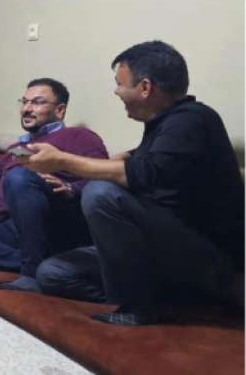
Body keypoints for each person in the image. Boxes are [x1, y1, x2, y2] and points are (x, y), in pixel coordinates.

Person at [21, 41, 245, 326]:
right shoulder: (165, 125)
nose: (116, 91)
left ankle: (141, 305)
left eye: (120, 83)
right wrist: (119, 157)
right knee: (53, 273)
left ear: (145, 87)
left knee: (101, 193)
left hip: (209, 258)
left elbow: (142, 173)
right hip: (160, 253)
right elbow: (147, 160)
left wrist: (63, 160)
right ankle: (173, 300)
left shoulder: (194, 119)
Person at [0, 78, 108, 294]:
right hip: (13, 227)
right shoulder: (18, 147)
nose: (26, 109)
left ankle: (31, 272)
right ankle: (42, 260)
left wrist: (71, 189)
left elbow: (102, 175)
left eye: (37, 102)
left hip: (55, 222)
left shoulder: (79, 136)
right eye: (24, 102)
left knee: (19, 176)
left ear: (60, 110)